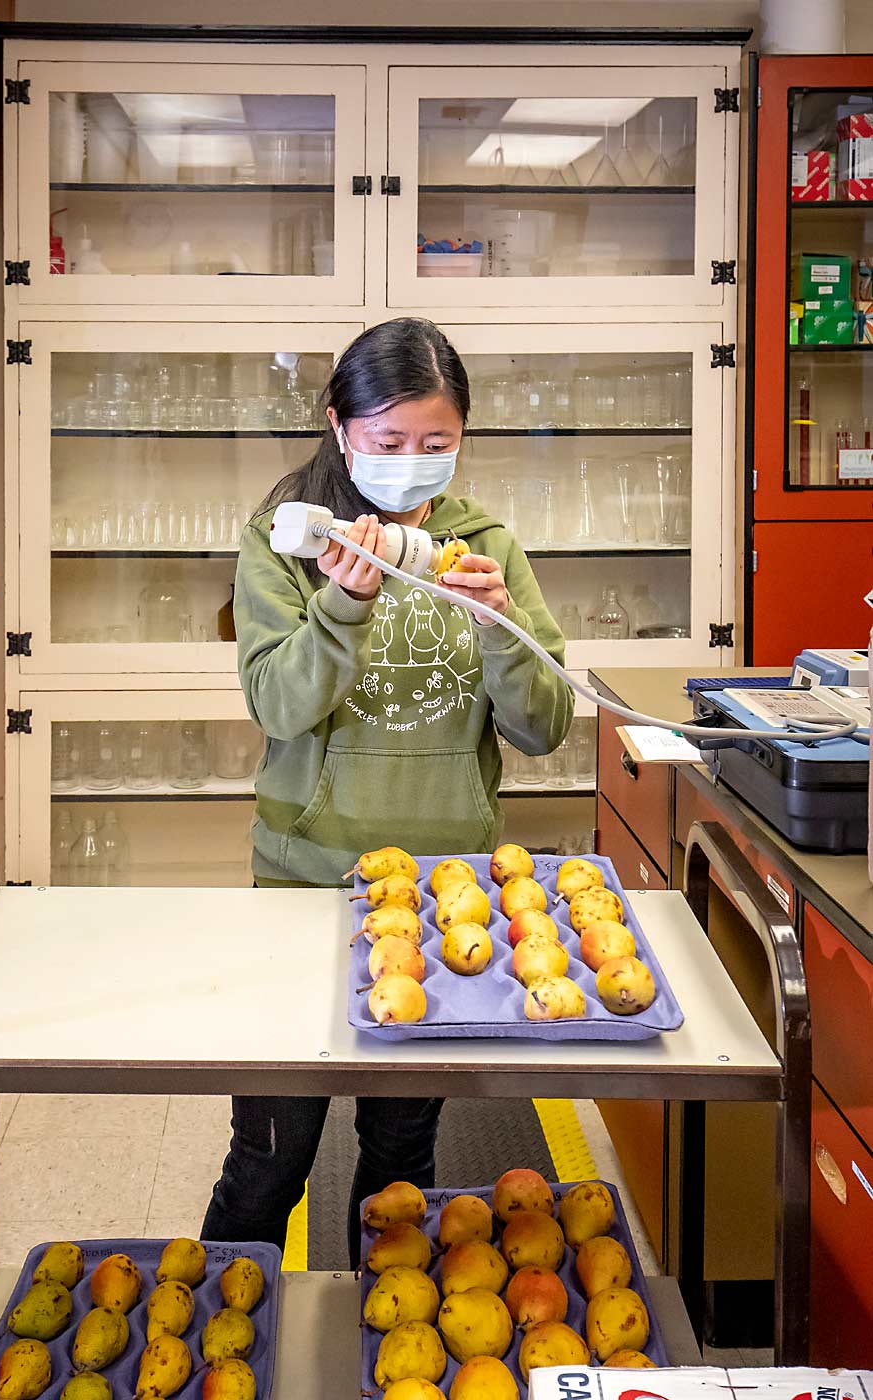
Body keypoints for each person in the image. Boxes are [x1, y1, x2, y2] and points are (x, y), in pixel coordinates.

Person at [201, 317, 573, 1265]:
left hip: (447, 894)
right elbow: (279, 706)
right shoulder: (286, 541)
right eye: (388, 441)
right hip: (306, 888)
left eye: (436, 445)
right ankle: (223, 1333)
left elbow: (543, 726)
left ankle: (383, 1340)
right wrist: (344, 602)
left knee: (403, 1154)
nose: (412, 463)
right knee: (269, 1160)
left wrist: (498, 628)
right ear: (340, 428)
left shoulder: (486, 544)